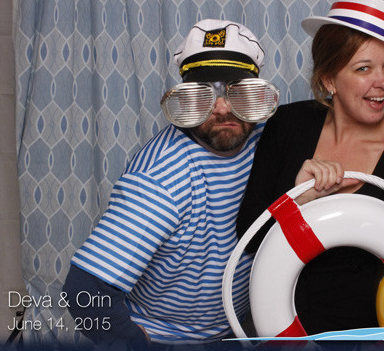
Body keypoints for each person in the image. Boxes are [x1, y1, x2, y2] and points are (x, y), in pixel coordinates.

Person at [63, 19, 279, 347]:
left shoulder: (264, 136)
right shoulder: (162, 178)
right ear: (185, 98)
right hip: (169, 339)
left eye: (236, 89)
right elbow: (84, 290)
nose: (222, 108)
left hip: (239, 330)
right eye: (205, 92)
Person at [236, 0, 384, 334]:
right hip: (278, 325)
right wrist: (300, 200)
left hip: (365, 335)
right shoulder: (288, 126)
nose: (383, 81)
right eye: (363, 68)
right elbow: (248, 236)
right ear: (328, 80)